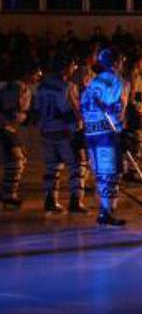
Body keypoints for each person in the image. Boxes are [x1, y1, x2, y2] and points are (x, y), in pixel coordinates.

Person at [33, 56, 87, 214]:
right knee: (78, 164)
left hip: (46, 131)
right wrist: (80, 124)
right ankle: (75, 201)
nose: (74, 69)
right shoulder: (67, 86)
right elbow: (71, 111)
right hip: (64, 132)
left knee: (52, 167)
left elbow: (36, 109)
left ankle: (50, 200)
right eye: (73, 65)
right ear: (66, 67)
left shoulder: (42, 86)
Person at [81, 49, 128, 226]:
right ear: (116, 62)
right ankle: (106, 212)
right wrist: (120, 130)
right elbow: (116, 109)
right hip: (107, 133)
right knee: (111, 174)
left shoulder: (93, 82)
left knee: (101, 174)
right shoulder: (116, 81)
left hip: (91, 133)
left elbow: (84, 106)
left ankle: (104, 210)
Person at [0, 65, 40, 209]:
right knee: (16, 160)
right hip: (4, 126)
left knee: (19, 158)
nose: (37, 77)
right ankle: (8, 194)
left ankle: (8, 193)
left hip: (8, 127)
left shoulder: (17, 87)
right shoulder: (18, 87)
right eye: (36, 73)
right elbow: (9, 107)